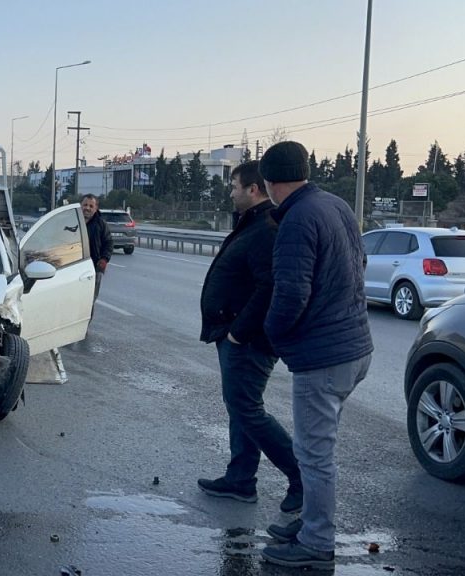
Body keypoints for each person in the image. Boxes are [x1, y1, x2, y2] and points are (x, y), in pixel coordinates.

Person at [258, 141, 374, 571]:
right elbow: (357, 262)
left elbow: (291, 293)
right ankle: (309, 523)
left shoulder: (296, 220)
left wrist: (270, 333)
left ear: (270, 183)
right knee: (318, 447)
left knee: (314, 453)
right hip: (356, 347)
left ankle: (316, 541)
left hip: (325, 358)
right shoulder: (335, 205)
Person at [197, 161, 303, 514]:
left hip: (249, 340)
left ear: (253, 190)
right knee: (239, 406)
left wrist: (238, 332)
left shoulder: (266, 228)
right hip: (235, 335)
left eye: (234, 187)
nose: (231, 192)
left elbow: (269, 285)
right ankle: (240, 478)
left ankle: (301, 476)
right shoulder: (254, 224)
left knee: (247, 408)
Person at [81, 194, 113, 305]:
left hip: (94, 267)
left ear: (96, 208)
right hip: (74, 267)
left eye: (91, 206)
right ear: (81, 206)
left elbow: (108, 242)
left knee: (89, 301)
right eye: (85, 205)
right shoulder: (74, 222)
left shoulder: (101, 224)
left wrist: (104, 259)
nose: (87, 208)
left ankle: (87, 321)